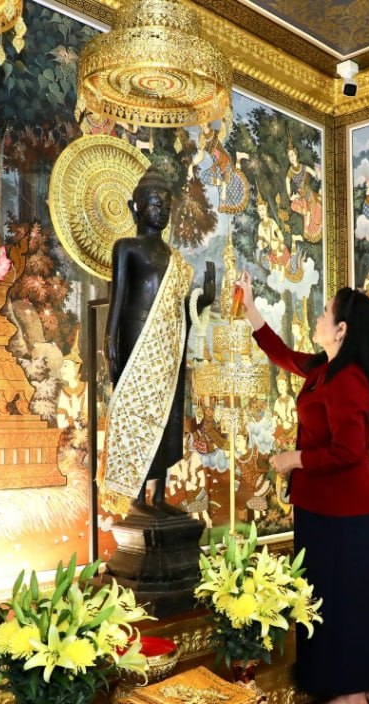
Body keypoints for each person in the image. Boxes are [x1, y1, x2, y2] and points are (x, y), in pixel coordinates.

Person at [237, 271, 369, 704]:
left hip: (341, 509)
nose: (318, 319)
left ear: (341, 329)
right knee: (350, 595)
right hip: (330, 506)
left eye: (324, 313)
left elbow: (349, 451)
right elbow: (282, 355)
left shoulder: (349, 380)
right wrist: (250, 307)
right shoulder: (326, 370)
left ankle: (350, 695)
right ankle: (368, 681)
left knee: (337, 599)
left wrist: (294, 459)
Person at [103, 168, 215, 515]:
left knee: (169, 414)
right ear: (135, 207)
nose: (161, 210)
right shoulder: (127, 248)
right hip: (136, 337)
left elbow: (182, 309)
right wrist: (110, 340)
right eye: (154, 203)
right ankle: (137, 497)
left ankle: (160, 496)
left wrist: (204, 300)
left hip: (169, 344)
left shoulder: (175, 259)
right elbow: (118, 298)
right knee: (139, 412)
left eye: (166, 205)